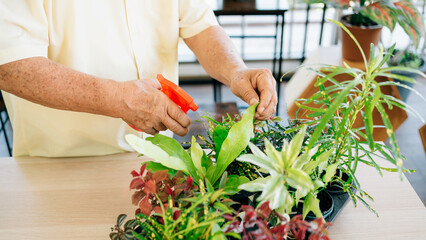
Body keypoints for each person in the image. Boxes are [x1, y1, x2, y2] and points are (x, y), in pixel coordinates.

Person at [0, 0, 277, 157]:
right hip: (60, 165)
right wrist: (119, 99)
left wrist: (236, 70)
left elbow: (200, 25)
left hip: (160, 156)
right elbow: (10, 66)